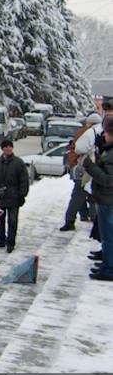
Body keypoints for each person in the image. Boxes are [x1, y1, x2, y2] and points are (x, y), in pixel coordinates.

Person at [0, 140, 29, 252]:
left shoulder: (18, 162)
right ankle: (1, 239)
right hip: (0, 197)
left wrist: (22, 195)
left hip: (14, 197)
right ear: (2, 149)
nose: (8, 149)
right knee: (0, 219)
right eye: (6, 147)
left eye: (10, 147)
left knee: (12, 221)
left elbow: (24, 181)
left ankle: (11, 242)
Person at [86, 119, 113, 281]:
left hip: (108, 200)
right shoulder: (109, 152)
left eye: (107, 133)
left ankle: (109, 268)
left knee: (108, 236)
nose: (105, 136)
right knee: (107, 236)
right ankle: (107, 265)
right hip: (106, 199)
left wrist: (91, 167)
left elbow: (109, 180)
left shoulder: (111, 156)